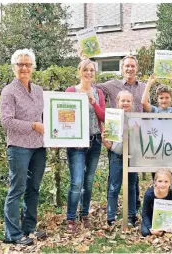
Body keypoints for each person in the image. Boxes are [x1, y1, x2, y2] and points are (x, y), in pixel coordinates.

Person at [0, 48, 46, 245]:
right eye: (20, 64)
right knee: (17, 188)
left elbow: (47, 116)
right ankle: (13, 235)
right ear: (14, 67)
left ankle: (29, 228)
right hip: (18, 146)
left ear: (33, 67)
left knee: (33, 188)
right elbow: (6, 121)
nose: (24, 68)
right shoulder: (9, 91)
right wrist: (33, 126)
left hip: (39, 146)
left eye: (28, 64)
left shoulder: (38, 90)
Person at [90, 54, 145, 210]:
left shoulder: (143, 87)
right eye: (127, 66)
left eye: (132, 66)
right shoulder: (113, 85)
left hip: (135, 138)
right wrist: (85, 61)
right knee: (114, 177)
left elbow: (148, 107)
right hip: (116, 140)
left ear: (137, 68)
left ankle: (133, 210)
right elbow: (93, 86)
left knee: (134, 179)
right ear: (122, 69)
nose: (130, 68)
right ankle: (111, 211)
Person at [65, 59, 105, 233]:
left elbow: (103, 116)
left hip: (95, 140)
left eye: (91, 70)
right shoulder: (71, 91)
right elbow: (63, 115)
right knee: (77, 181)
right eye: (86, 70)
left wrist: (93, 102)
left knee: (88, 181)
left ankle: (84, 214)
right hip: (76, 143)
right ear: (79, 71)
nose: (89, 73)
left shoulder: (98, 92)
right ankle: (70, 219)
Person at [141, 73, 172, 193]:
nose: (164, 100)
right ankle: (158, 206)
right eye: (161, 98)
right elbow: (143, 102)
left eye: (167, 97)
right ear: (157, 99)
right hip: (156, 151)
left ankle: (170, 207)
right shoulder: (154, 110)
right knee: (158, 180)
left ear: (170, 98)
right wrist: (149, 83)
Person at [102, 90, 137, 227]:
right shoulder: (112, 118)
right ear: (117, 102)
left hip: (132, 157)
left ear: (132, 103)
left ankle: (131, 216)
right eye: (123, 100)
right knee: (114, 187)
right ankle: (111, 216)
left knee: (131, 187)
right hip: (116, 156)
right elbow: (108, 143)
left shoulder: (136, 118)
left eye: (128, 101)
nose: (125, 103)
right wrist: (106, 142)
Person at [141, 169, 172, 237]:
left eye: (166, 181)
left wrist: (170, 224)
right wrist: (151, 229)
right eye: (160, 181)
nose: (163, 184)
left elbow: (171, 212)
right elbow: (145, 214)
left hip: (165, 218)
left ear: (170, 182)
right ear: (155, 182)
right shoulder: (149, 194)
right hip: (150, 217)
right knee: (145, 232)